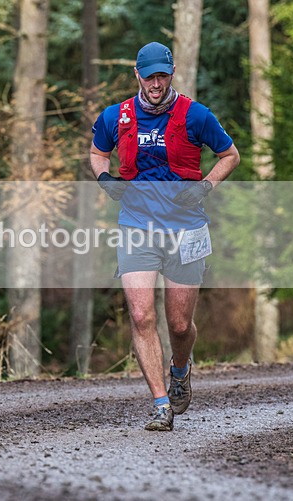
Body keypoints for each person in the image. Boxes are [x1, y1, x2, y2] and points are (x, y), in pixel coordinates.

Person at [89, 42, 240, 431]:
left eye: (162, 76)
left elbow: (230, 156)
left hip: (186, 228)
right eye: (149, 76)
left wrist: (205, 186)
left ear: (170, 75)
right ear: (137, 75)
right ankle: (160, 404)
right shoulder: (116, 116)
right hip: (137, 226)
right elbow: (97, 153)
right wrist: (105, 180)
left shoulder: (196, 115)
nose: (156, 84)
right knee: (141, 315)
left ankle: (180, 368)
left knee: (178, 325)